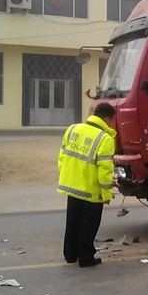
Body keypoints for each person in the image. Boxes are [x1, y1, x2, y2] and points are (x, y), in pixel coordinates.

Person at [58, 102, 117, 268]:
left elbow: (62, 157)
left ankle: (70, 254)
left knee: (73, 221)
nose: (113, 124)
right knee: (89, 224)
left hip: (71, 185)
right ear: (107, 118)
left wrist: (68, 177)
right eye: (113, 120)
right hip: (91, 189)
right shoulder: (104, 138)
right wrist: (106, 195)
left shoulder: (72, 129)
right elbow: (104, 171)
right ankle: (86, 257)